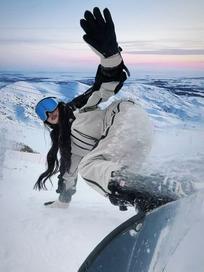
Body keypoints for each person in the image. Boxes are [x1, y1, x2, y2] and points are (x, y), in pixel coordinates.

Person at [34, 7, 194, 212]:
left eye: (49, 106)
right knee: (104, 168)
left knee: (89, 166)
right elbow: (68, 174)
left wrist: (110, 55)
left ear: (57, 104)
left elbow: (105, 86)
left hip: (124, 119)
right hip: (127, 145)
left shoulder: (77, 108)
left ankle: (146, 195)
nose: (49, 113)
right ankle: (167, 192)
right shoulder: (69, 150)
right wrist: (63, 202)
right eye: (43, 113)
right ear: (45, 122)